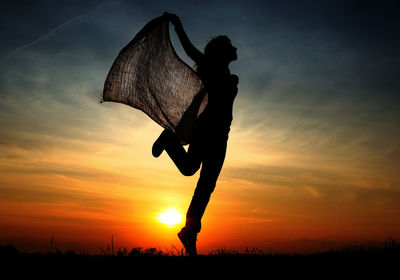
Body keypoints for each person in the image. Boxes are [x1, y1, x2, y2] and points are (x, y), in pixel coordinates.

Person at [152, 12, 238, 256]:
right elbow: (189, 49)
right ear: (222, 52)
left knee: (206, 186)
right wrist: (177, 23)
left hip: (222, 136)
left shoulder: (226, 75)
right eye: (230, 46)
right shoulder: (212, 69)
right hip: (206, 132)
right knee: (191, 171)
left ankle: (190, 232)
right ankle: (168, 139)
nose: (235, 48)